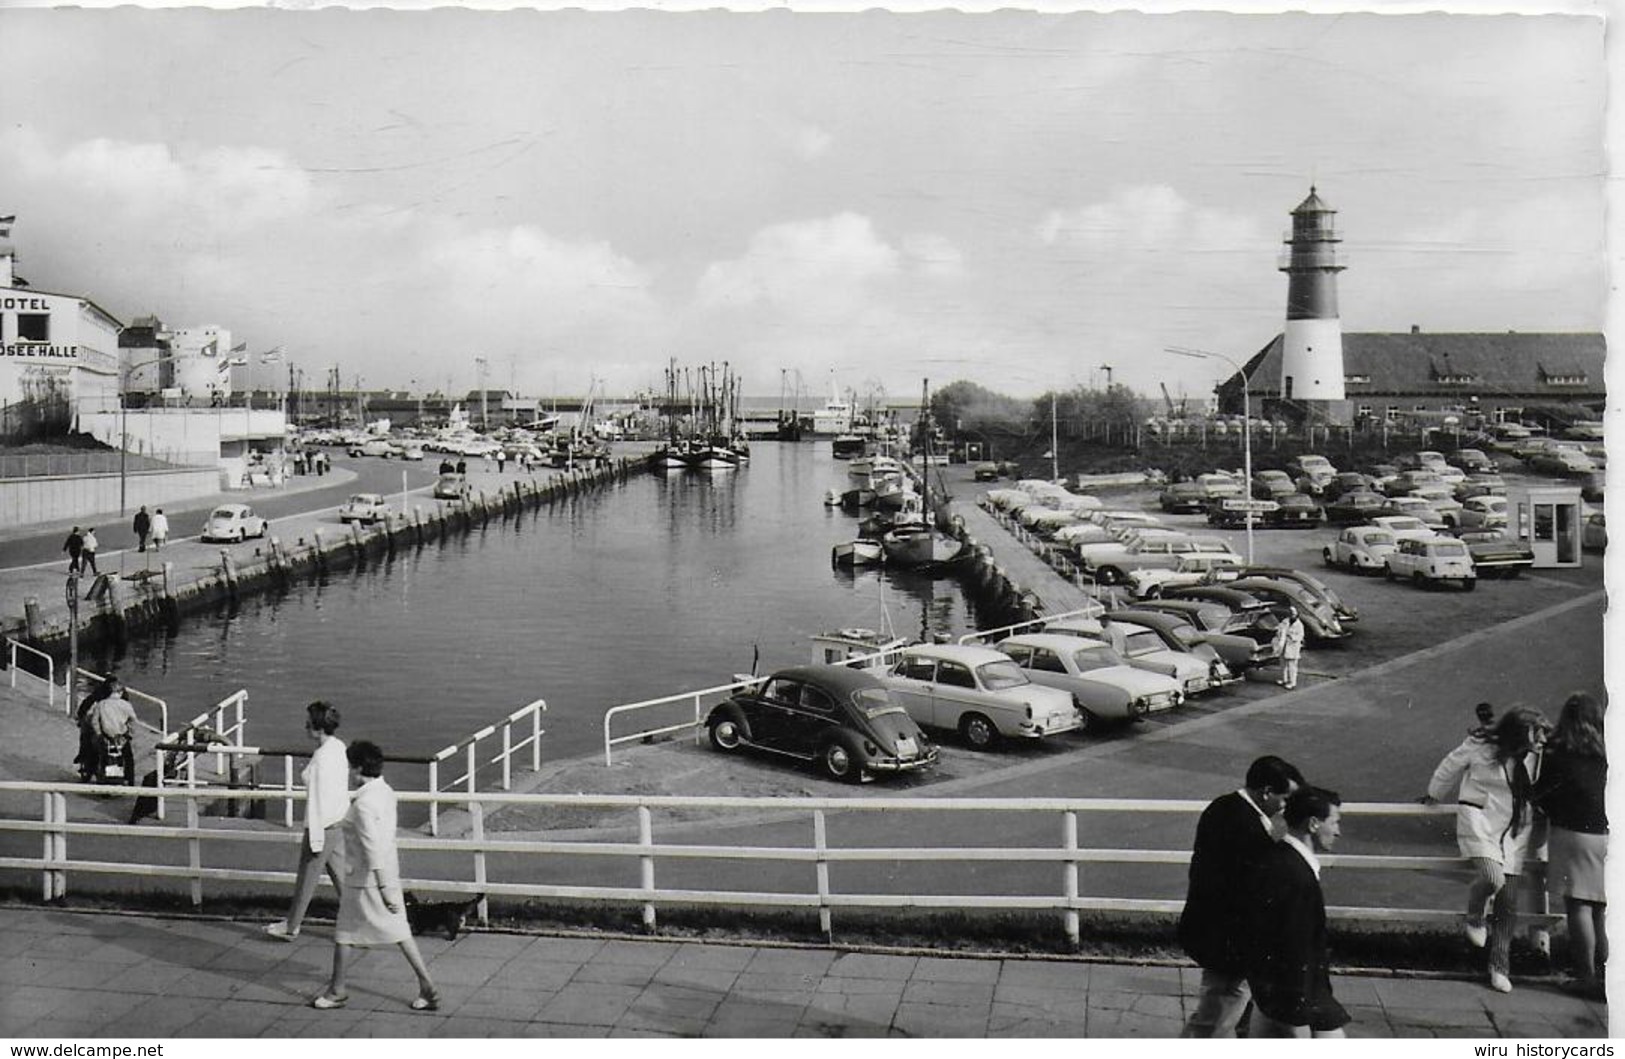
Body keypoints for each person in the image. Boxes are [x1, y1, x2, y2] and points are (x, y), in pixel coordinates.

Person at [1178, 755, 1306, 1037]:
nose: (1287, 806)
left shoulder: (1224, 807)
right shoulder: (1246, 826)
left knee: (1227, 1015)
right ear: (1267, 792)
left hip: (1217, 934)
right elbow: (1253, 887)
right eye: (1285, 798)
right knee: (1216, 1018)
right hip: (1231, 942)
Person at [1425, 706, 1549, 993]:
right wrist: (1434, 793)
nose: (1541, 740)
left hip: (1516, 831)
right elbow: (1450, 764)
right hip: (1479, 822)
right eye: (1536, 734)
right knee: (1493, 878)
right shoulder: (1480, 746)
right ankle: (1475, 915)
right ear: (1520, 732)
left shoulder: (1536, 753)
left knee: (1508, 902)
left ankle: (1499, 966)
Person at [310, 739, 439, 1012]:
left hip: (365, 880)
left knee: (344, 933)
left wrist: (382, 888)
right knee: (399, 931)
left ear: (357, 769)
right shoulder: (385, 792)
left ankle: (337, 990)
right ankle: (427, 985)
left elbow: (371, 846)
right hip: (386, 873)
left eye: (350, 767)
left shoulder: (363, 805)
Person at [1245, 786, 1348, 1038]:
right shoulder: (1295, 874)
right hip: (1294, 994)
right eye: (1334, 822)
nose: (1338, 831)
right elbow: (1290, 945)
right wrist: (1294, 1015)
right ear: (1313, 824)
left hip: (1295, 992)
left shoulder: (1284, 859)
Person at [1530, 692, 1607, 999]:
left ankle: (1586, 977)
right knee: (1602, 909)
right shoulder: (1608, 750)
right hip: (1609, 834)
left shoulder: (1557, 751)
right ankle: (1608, 979)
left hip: (1575, 834)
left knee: (1579, 906)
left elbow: (1541, 793)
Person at [265, 701, 348, 942]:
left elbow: (317, 801)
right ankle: (364, 925)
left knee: (306, 879)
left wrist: (315, 835)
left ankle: (292, 927)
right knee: (343, 880)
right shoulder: (339, 747)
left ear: (317, 727)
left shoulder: (322, 757)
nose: (305, 726)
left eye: (308, 723)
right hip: (339, 823)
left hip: (322, 826)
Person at [89, 682, 138, 785]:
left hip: (105, 736)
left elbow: (94, 721)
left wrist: (99, 734)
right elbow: (133, 720)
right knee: (128, 758)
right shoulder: (126, 705)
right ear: (120, 692)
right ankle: (130, 779)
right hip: (122, 737)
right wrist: (130, 734)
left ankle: (101, 778)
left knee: (102, 757)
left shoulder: (101, 704)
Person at [72, 677, 119, 780]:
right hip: (103, 727)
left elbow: (82, 711)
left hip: (103, 727)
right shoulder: (111, 699)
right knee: (89, 741)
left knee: (87, 742)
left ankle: (84, 759)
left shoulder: (95, 698)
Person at [1273, 606, 1305, 689]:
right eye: (1291, 613)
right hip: (1283, 645)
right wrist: (1279, 634)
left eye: (1294, 614)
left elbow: (1300, 636)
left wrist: (1292, 637)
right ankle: (1284, 679)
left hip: (1293, 647)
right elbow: (1279, 630)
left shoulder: (1299, 625)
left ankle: (1292, 682)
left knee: (1292, 665)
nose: (1292, 615)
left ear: (1297, 615)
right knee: (1283, 664)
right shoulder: (1285, 621)